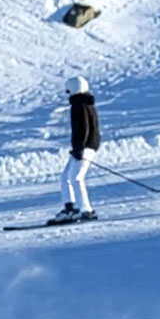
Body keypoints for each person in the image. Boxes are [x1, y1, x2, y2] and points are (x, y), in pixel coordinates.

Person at [52, 77, 101, 224]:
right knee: (66, 177)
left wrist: (79, 149)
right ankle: (70, 208)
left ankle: (86, 210)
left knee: (76, 178)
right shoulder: (86, 104)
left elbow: (82, 129)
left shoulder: (79, 105)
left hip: (85, 146)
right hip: (85, 146)